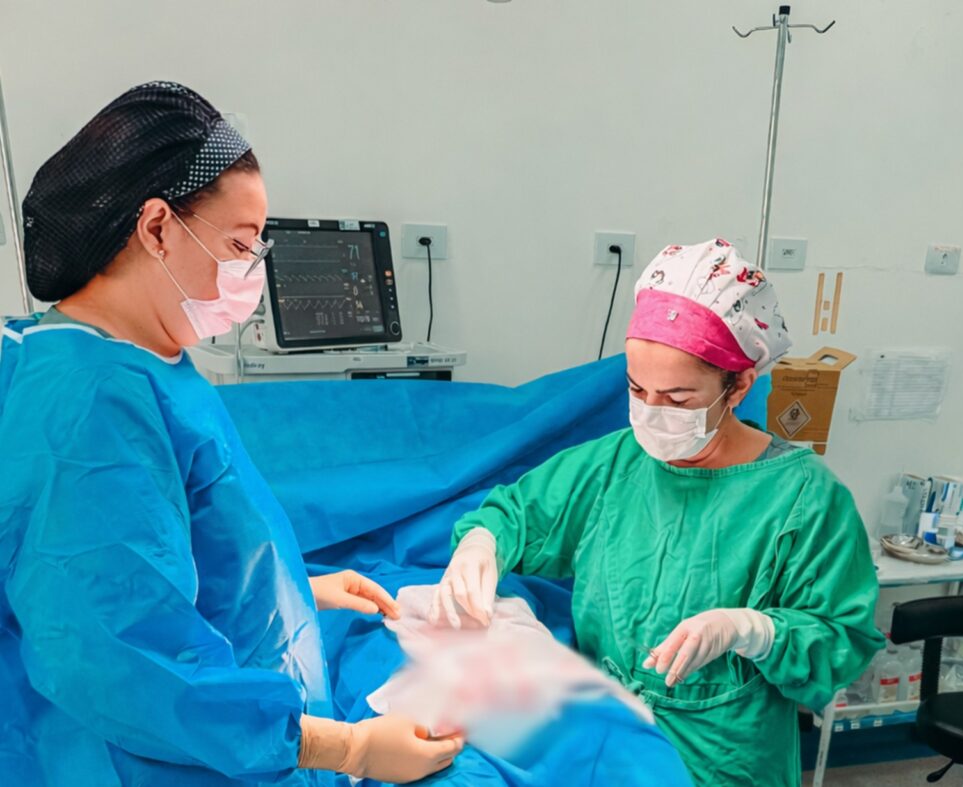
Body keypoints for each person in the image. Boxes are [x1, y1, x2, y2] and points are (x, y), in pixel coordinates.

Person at [0, 81, 461, 786]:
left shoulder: (140, 355)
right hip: (168, 755)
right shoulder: (91, 401)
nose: (251, 271)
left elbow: (172, 547)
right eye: (241, 245)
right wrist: (352, 749)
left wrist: (299, 587)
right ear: (155, 228)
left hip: (226, 718)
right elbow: (125, 654)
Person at [430, 240, 884, 786]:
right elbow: (518, 513)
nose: (650, 413)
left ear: (739, 384)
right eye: (637, 389)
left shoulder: (804, 497)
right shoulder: (614, 463)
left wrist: (753, 630)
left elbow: (843, 641)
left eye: (677, 398)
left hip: (723, 760)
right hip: (609, 742)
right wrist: (482, 544)